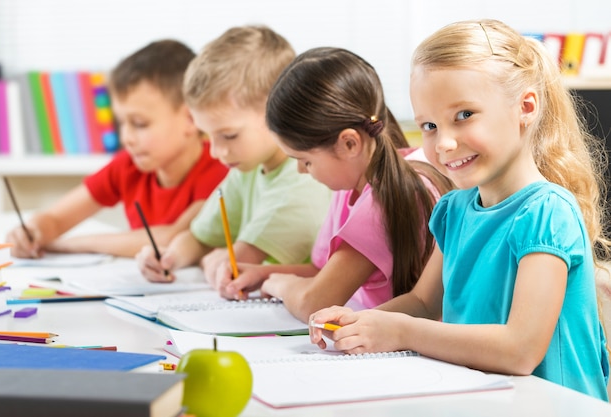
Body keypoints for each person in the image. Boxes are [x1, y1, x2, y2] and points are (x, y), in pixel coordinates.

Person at [310, 19, 610, 401]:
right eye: (430, 125)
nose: (445, 142)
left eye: (465, 115)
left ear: (526, 107)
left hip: (556, 406)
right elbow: (422, 302)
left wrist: (400, 331)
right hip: (486, 398)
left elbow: (519, 350)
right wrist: (362, 322)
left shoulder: (547, 212)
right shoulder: (454, 210)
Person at [211, 47, 453, 324]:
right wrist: (261, 272)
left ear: (349, 143)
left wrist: (275, 283)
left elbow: (313, 303)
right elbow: (323, 271)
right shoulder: (356, 180)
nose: (301, 170)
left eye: (305, 160)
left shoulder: (383, 199)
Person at [137, 26, 331, 283]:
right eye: (207, 136)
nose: (217, 152)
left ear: (277, 109)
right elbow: (198, 238)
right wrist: (169, 257)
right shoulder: (248, 170)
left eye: (229, 136)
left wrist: (212, 260)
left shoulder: (304, 180)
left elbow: (234, 265)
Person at [6, 40, 228, 259]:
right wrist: (31, 231)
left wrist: (72, 244)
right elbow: (55, 219)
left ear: (190, 118)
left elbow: (171, 238)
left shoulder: (220, 167)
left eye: (140, 123)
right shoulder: (128, 166)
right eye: (121, 123)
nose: (126, 138)